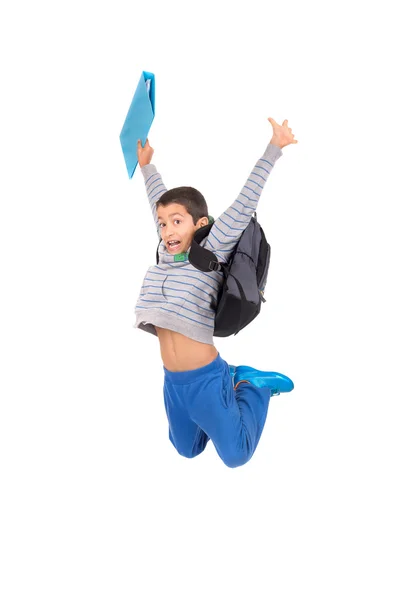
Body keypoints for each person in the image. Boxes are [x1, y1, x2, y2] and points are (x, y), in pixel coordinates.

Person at [135, 117, 298, 468]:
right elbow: (158, 204)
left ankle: (251, 385)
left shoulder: (211, 251)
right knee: (187, 448)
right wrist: (147, 167)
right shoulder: (166, 254)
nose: (167, 229)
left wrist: (274, 149)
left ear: (200, 224)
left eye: (177, 221)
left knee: (236, 454)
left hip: (206, 377)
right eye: (163, 223)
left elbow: (244, 202)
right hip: (173, 382)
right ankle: (231, 385)